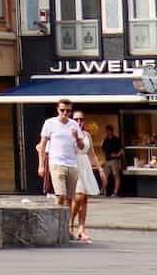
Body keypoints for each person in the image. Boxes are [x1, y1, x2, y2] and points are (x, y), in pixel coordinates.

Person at [39, 98, 86, 223]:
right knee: (60, 195)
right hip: (56, 163)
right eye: (62, 110)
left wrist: (76, 137)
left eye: (68, 111)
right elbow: (42, 145)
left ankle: (66, 227)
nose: (65, 113)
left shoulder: (74, 124)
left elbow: (81, 147)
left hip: (72, 164)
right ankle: (55, 224)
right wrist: (41, 165)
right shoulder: (50, 123)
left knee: (69, 199)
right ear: (57, 109)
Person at [70, 110, 103, 243]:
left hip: (85, 165)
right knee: (78, 196)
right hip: (74, 164)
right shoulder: (69, 134)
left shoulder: (87, 135)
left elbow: (92, 154)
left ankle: (81, 229)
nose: (79, 122)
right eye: (76, 119)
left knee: (85, 199)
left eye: (81, 119)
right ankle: (70, 224)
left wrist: (100, 169)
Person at [100, 124, 124, 197]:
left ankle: (115, 191)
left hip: (115, 160)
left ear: (111, 131)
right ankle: (102, 190)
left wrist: (117, 155)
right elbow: (103, 149)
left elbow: (122, 150)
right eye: (106, 131)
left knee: (116, 175)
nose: (107, 132)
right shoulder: (106, 140)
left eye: (108, 130)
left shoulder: (116, 139)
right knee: (104, 175)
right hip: (107, 160)